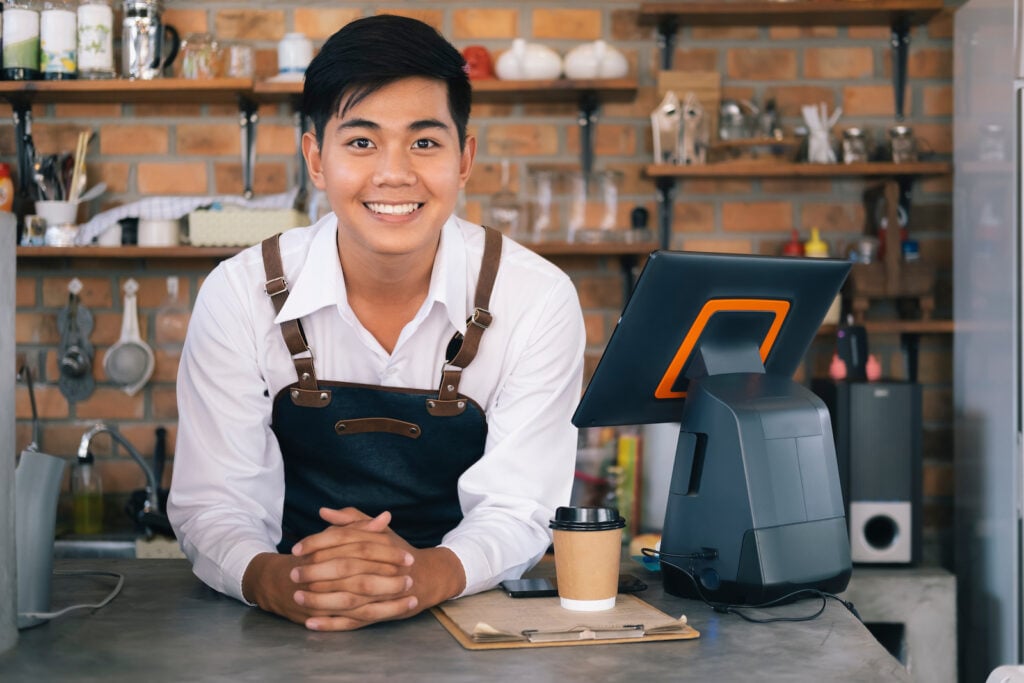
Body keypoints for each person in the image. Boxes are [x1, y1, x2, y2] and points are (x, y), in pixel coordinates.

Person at [168, 14, 585, 632]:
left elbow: (520, 504)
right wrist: (280, 582)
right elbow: (215, 504)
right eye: (361, 142)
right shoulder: (239, 294)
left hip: (468, 622)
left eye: (425, 142)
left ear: (464, 159)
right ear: (316, 157)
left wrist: (420, 576)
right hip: (286, 623)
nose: (394, 174)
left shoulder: (537, 298)